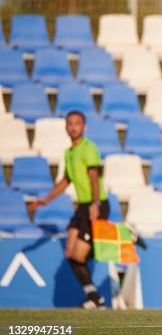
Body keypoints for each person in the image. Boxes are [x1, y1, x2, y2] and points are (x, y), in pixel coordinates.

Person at [29, 110, 109, 309]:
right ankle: (94, 296)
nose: (73, 127)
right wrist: (45, 200)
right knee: (70, 255)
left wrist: (95, 203)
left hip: (95, 204)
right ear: (66, 127)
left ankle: (95, 296)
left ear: (84, 127)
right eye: (70, 123)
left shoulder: (89, 148)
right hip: (82, 207)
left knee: (79, 255)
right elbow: (65, 180)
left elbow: (94, 177)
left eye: (77, 123)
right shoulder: (69, 152)